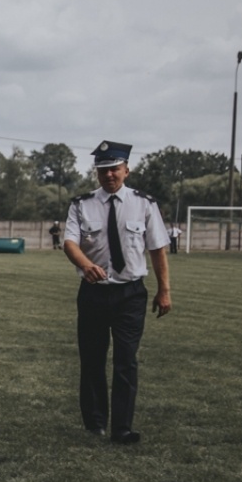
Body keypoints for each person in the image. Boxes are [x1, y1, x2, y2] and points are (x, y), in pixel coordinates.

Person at [62, 140, 171, 445]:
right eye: (103, 170)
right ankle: (95, 423)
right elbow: (70, 243)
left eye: (114, 169)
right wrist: (86, 265)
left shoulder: (145, 204)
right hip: (94, 293)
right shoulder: (81, 205)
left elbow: (158, 249)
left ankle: (122, 428)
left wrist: (164, 291)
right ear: (96, 173)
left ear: (126, 169)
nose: (109, 175)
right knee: (93, 359)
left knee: (126, 360)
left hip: (130, 295)